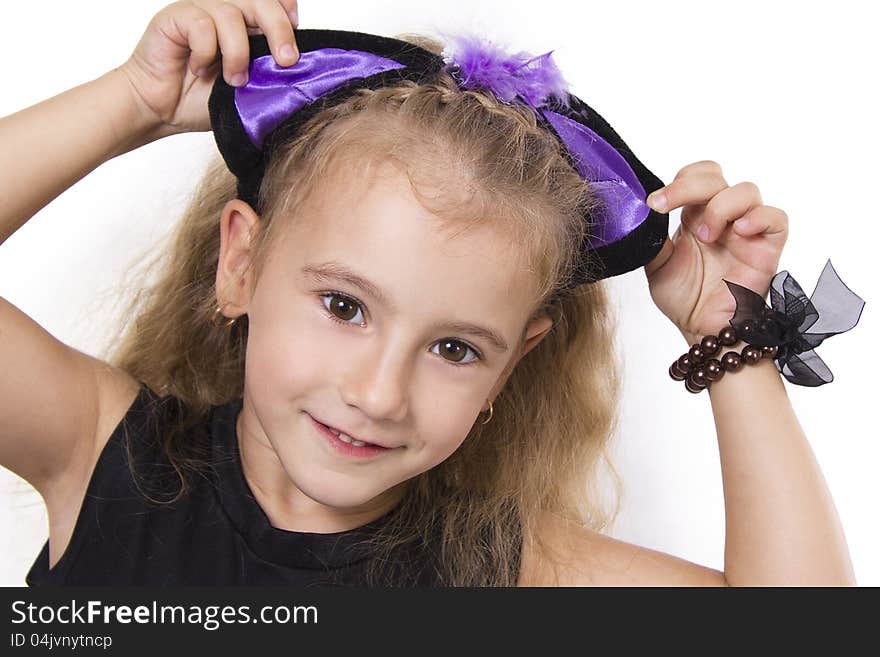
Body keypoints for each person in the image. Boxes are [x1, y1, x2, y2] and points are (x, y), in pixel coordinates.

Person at [0, 0, 861, 586]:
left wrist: (731, 336)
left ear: (510, 365)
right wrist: (131, 105)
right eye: (344, 305)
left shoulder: (494, 569)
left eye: (455, 349)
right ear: (242, 264)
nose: (377, 393)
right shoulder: (106, 457)